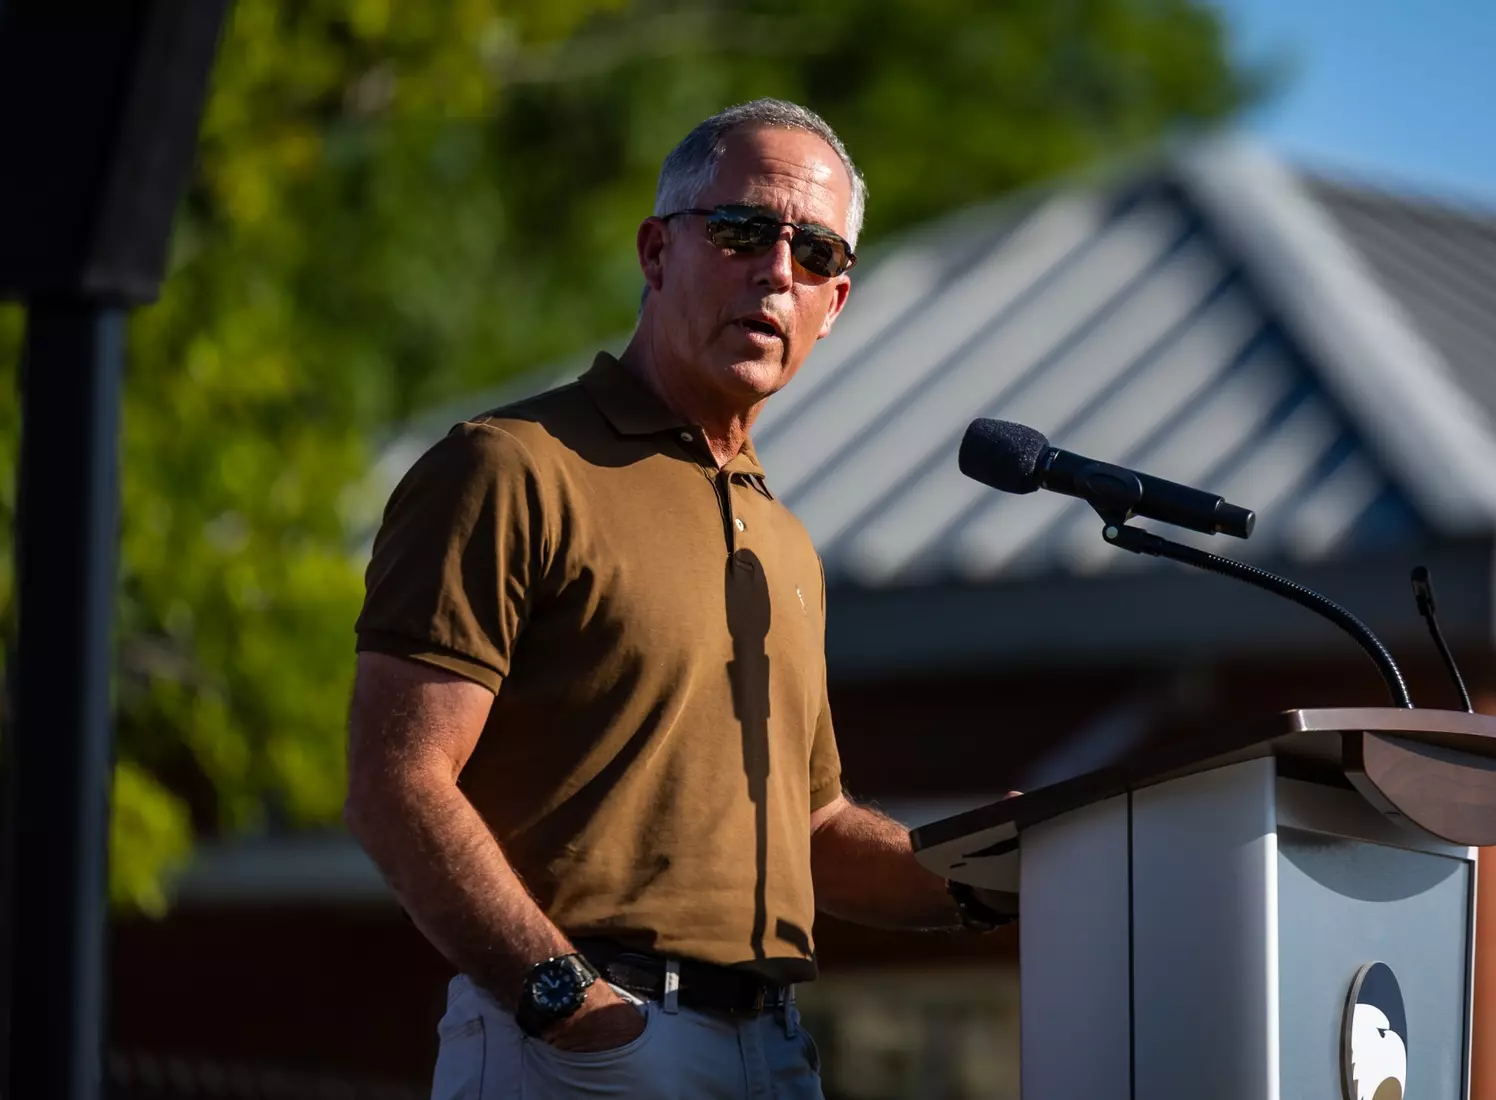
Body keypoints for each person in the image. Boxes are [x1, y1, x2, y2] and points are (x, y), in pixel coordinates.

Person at [346, 98, 1016, 1100]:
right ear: (657, 252)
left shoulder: (782, 539)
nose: (777, 269)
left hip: (775, 1049)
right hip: (585, 1044)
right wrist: (565, 1002)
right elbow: (396, 781)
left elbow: (813, 827)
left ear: (835, 305)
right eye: (745, 230)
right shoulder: (510, 468)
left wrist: (988, 872)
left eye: (816, 251)